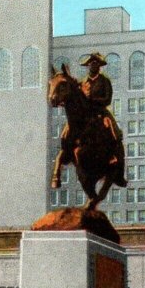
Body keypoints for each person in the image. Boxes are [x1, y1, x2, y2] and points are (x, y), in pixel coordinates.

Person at [51, 52, 128, 189]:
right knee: (66, 131)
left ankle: (116, 162)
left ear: (99, 66)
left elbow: (107, 99)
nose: (93, 65)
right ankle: (67, 151)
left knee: (112, 129)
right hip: (83, 113)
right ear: (88, 66)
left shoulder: (105, 81)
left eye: (96, 63)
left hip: (99, 112)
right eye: (91, 63)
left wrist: (91, 100)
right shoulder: (82, 82)